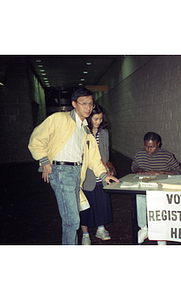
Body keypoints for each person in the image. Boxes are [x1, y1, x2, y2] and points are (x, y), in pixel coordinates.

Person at [28, 88, 119, 245]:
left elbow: (93, 158)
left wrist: (104, 175)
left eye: (91, 103)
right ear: (74, 104)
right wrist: (44, 161)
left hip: (77, 173)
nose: (88, 107)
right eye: (84, 103)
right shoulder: (59, 119)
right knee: (72, 221)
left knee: (72, 218)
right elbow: (37, 137)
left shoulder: (85, 129)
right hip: (62, 171)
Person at [131, 132, 181, 244]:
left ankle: (160, 233)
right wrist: (138, 170)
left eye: (152, 147)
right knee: (139, 196)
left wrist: (160, 172)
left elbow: (179, 172)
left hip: (162, 188)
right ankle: (144, 228)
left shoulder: (167, 156)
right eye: (146, 146)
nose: (148, 150)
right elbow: (134, 166)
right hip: (145, 185)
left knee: (159, 202)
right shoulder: (139, 154)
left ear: (158, 144)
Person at [80, 104, 113, 245]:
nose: (99, 122)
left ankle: (101, 229)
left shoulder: (104, 133)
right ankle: (85, 235)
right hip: (87, 176)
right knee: (85, 207)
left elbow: (105, 155)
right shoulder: (82, 133)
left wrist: (108, 168)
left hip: (102, 175)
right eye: (95, 119)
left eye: (100, 118)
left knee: (101, 204)